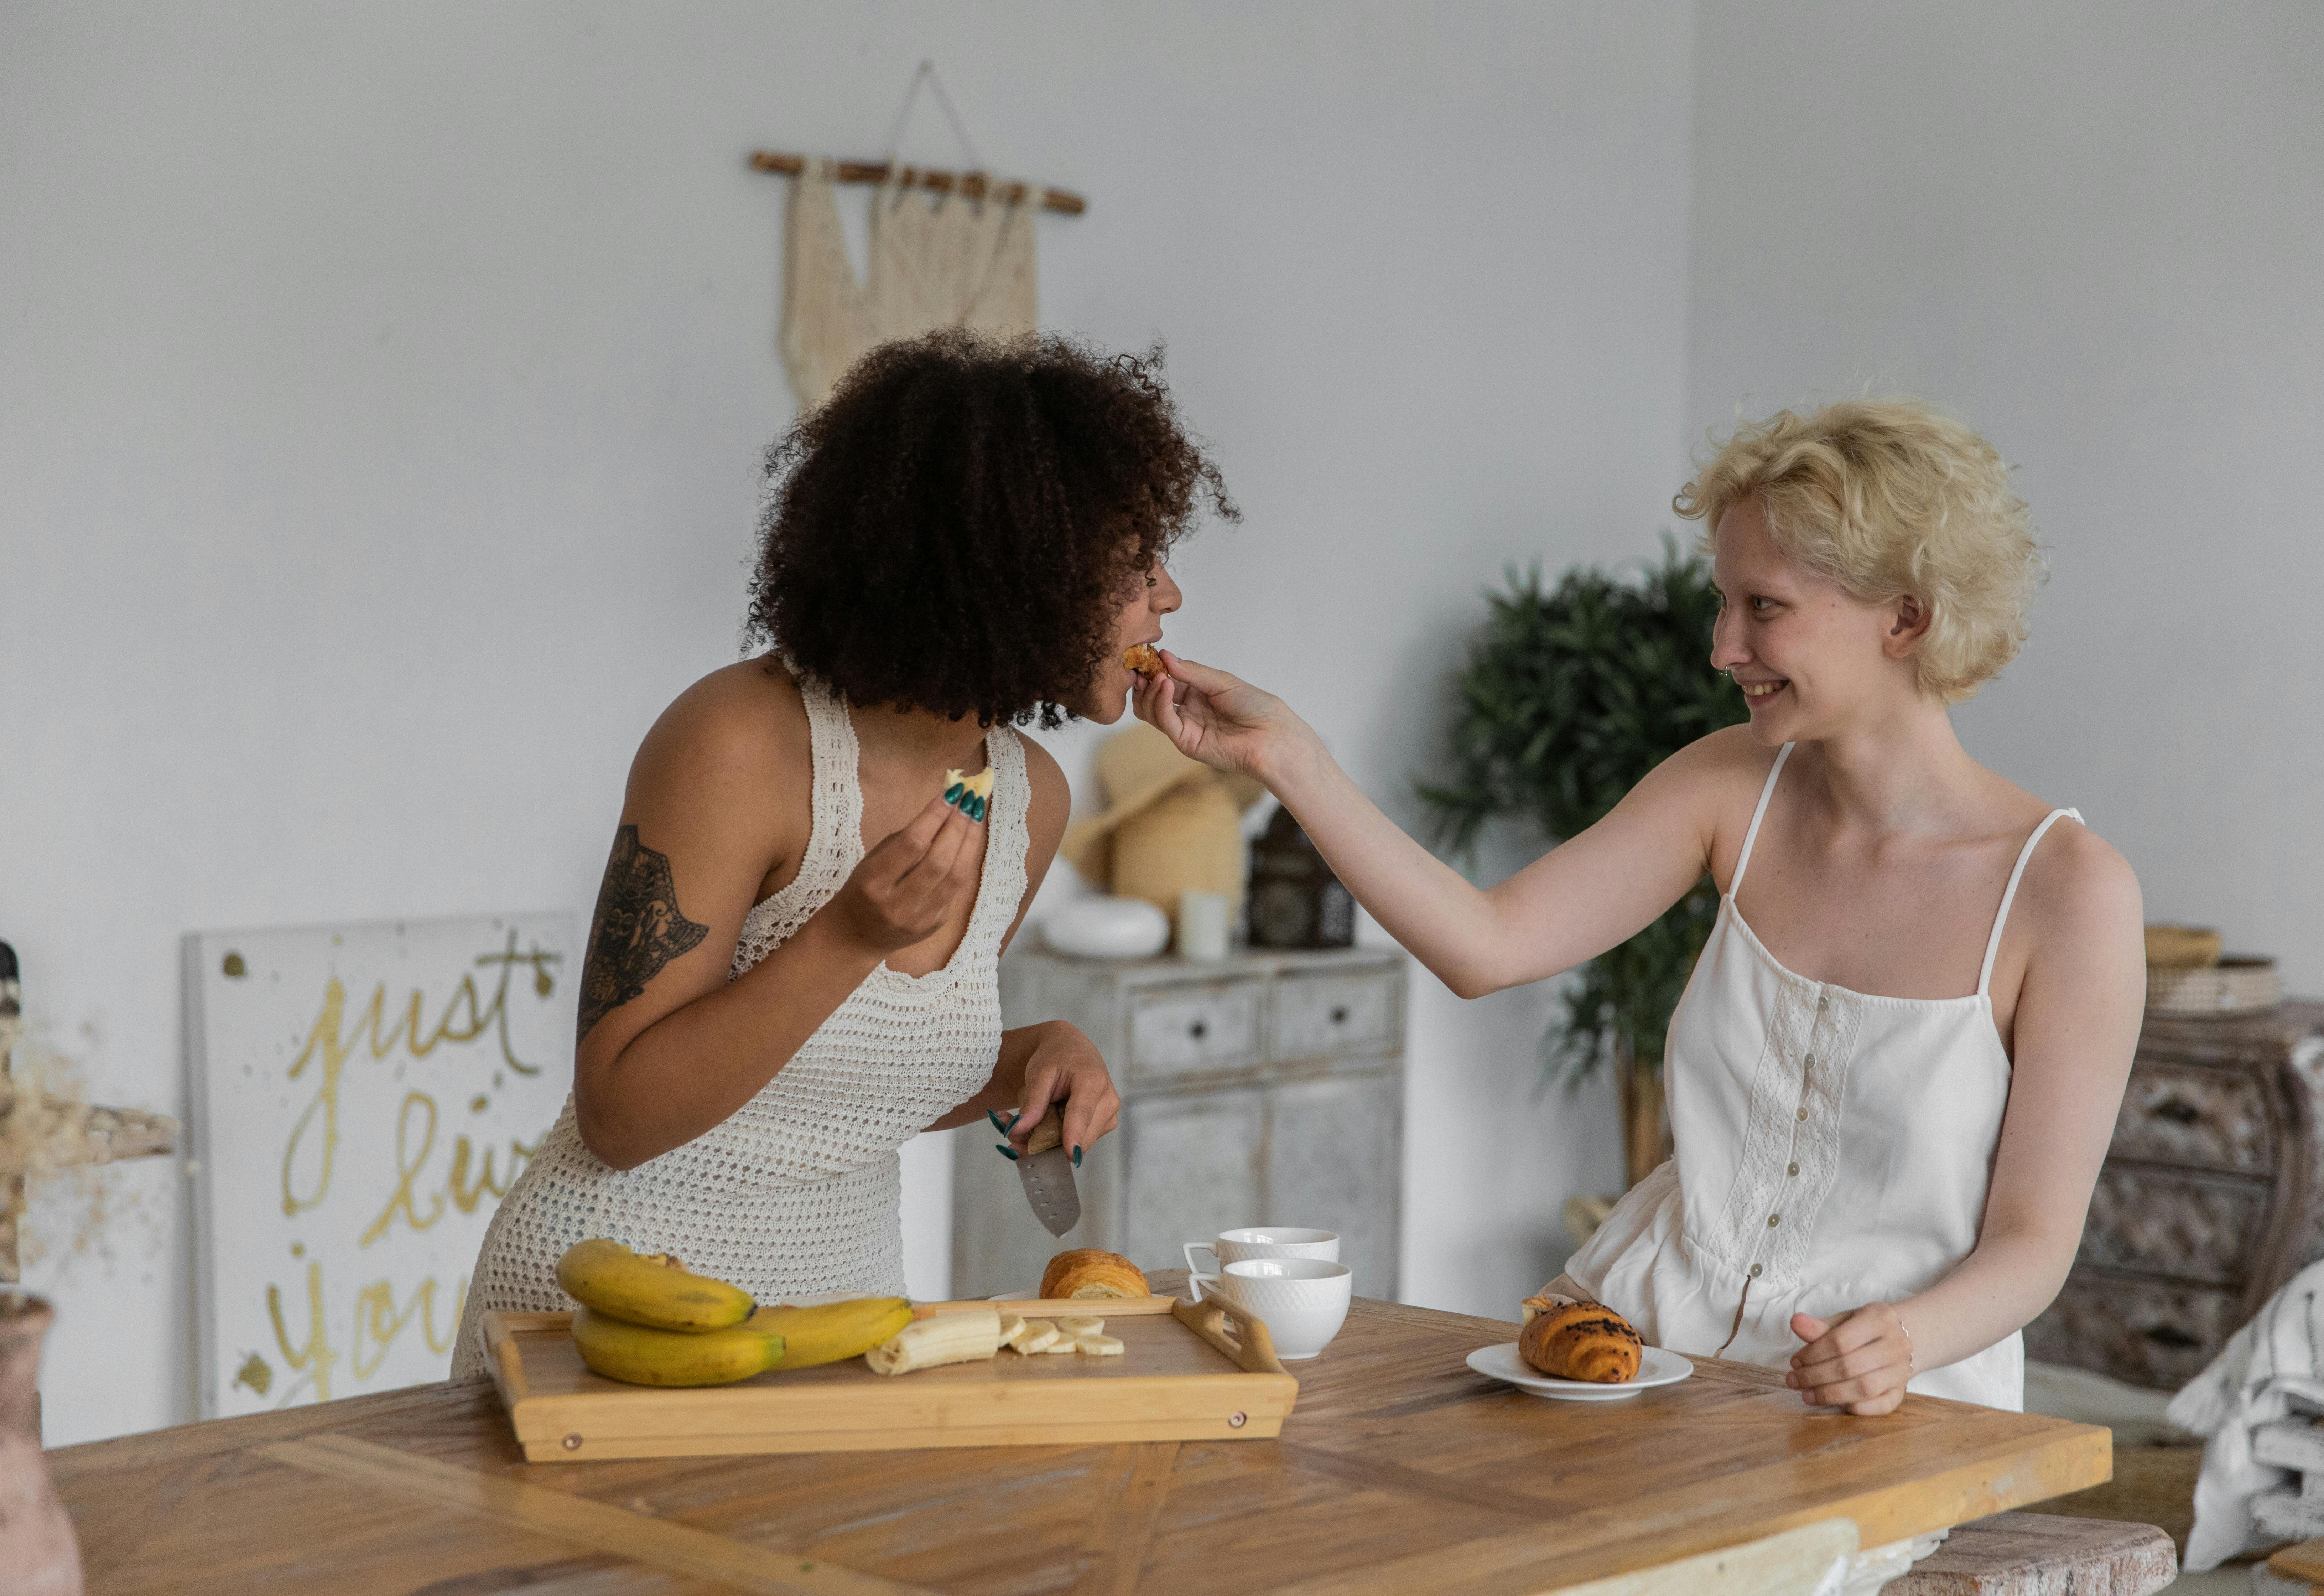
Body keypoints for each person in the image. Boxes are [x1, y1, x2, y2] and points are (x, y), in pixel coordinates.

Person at [1137, 399, 2143, 1413]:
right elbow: (1487, 945)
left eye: (1765, 607)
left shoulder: (2070, 894)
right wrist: (1290, 761)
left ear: (1907, 617)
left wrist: (1904, 1340)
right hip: (1643, 1360)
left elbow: (2035, 1243)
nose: (1722, 647)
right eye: (1724, 603)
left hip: (1893, 1403)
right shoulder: (1728, 788)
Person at [454, 331, 1234, 1377]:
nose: (1168, 595)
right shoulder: (739, 744)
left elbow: (842, 1083)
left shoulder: (1029, 798)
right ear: (1014, 573)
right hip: (613, 1332)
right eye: (1137, 565)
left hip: (845, 1339)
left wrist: (1027, 1056)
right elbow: (621, 1115)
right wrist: (849, 938)